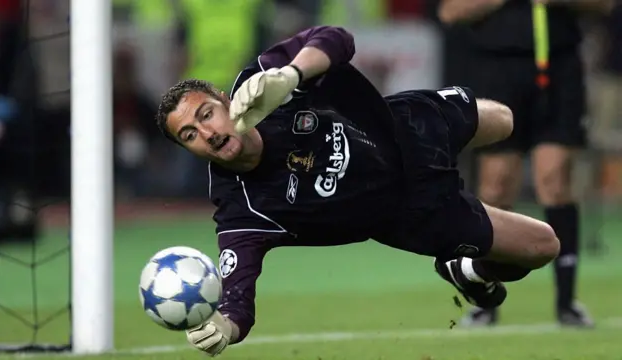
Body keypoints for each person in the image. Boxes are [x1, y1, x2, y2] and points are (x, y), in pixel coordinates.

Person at [154, 26, 560, 357]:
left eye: (207, 114)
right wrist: (224, 326)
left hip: (405, 127)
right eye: (190, 134)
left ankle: (467, 263)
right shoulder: (241, 211)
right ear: (187, 149)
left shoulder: (260, 84)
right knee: (542, 246)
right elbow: (238, 303)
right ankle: (471, 270)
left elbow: (336, 39)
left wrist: (290, 75)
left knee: (504, 120)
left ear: (224, 102)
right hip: (411, 212)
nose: (208, 132)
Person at [437, 0, 615, 327]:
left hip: (559, 69)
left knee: (555, 180)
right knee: (496, 185)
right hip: (498, 71)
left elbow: (603, 5)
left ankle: (567, 303)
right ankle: (485, 297)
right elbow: (450, 11)